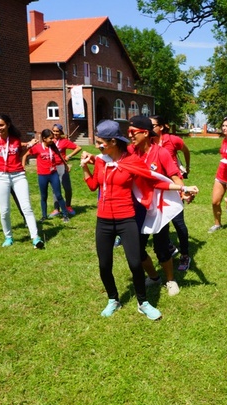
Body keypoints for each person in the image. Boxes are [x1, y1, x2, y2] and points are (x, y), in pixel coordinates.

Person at [80, 120, 198, 320]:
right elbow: (93, 186)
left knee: (135, 263)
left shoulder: (132, 161)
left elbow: (154, 181)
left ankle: (143, 302)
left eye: (101, 143)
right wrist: (85, 167)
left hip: (127, 218)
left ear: (114, 142)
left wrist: (182, 188)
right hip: (104, 221)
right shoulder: (101, 160)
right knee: (104, 265)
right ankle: (113, 300)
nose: (98, 146)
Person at [128, 115, 192, 296]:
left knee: (161, 248)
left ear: (146, 133)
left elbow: (174, 175)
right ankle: (155, 277)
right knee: (137, 249)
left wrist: (182, 190)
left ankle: (171, 280)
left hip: (158, 208)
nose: (131, 135)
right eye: (129, 132)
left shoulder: (161, 152)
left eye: (133, 132)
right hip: (138, 207)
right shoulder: (131, 152)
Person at [0, 114, 43, 248]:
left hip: (18, 176)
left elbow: (21, 152)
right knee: (4, 210)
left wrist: (29, 146)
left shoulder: (15, 139)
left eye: (1, 125)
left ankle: (35, 238)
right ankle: (8, 237)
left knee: (27, 207)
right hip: (0, 177)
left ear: (8, 125)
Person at [150, 115, 192, 271]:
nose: (149, 128)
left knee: (178, 222)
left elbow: (186, 150)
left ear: (161, 127)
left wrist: (187, 167)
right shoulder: (149, 143)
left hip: (175, 185)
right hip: (158, 188)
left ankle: (185, 255)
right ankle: (169, 247)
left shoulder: (173, 140)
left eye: (152, 125)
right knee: (160, 221)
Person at [22, 129, 71, 223]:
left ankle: (65, 215)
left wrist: (65, 165)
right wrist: (23, 166)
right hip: (42, 176)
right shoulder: (37, 148)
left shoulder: (53, 147)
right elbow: (25, 155)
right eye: (50, 138)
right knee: (44, 196)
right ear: (44, 139)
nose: (52, 140)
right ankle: (44, 216)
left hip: (53, 174)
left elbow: (60, 157)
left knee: (59, 195)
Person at [49, 124, 81, 217]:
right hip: (52, 167)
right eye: (54, 131)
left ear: (61, 132)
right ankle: (56, 209)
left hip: (62, 166)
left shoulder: (64, 141)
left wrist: (68, 156)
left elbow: (78, 148)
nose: (55, 133)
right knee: (55, 189)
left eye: (57, 131)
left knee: (67, 188)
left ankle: (68, 206)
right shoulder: (49, 141)